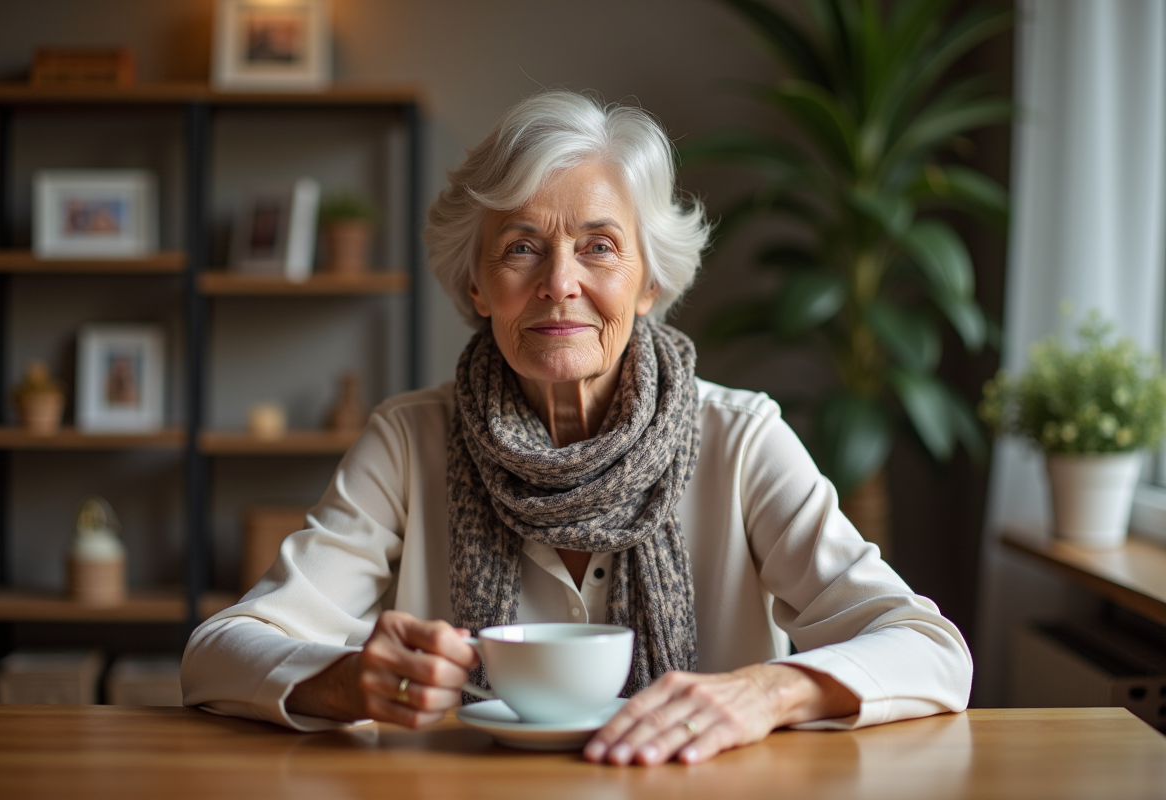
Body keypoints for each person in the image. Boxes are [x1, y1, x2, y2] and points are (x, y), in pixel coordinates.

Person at [182, 91, 971, 766]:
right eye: (522, 248)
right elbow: (220, 653)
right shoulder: (408, 440)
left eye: (599, 247)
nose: (560, 284)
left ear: (651, 279)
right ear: (477, 285)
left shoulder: (741, 439)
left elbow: (931, 651)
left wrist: (765, 690)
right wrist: (344, 678)